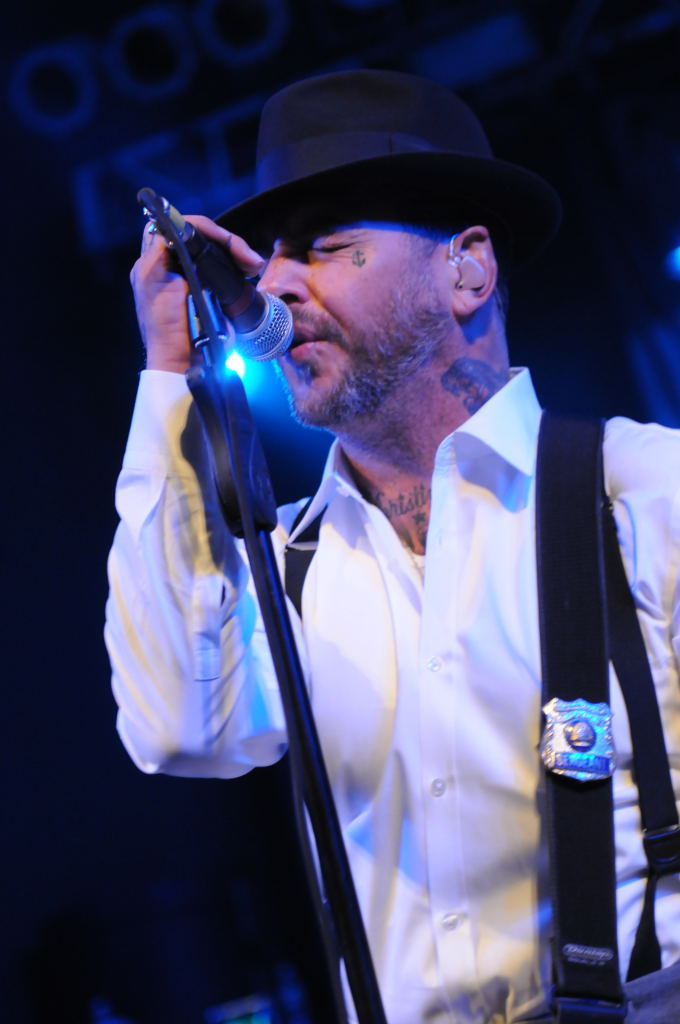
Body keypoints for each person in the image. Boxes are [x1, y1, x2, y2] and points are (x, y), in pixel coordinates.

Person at [105, 70, 680, 1023]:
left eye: (326, 247)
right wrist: (169, 376)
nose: (274, 285)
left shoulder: (647, 492)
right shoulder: (288, 565)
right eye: (271, 260)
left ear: (466, 270)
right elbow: (177, 732)